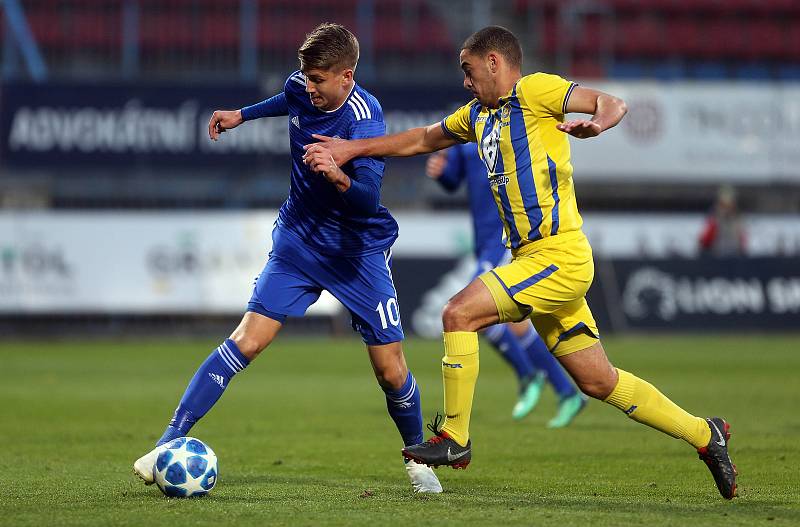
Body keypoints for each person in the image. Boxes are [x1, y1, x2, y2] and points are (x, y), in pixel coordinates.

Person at [304, 26, 737, 499]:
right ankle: (705, 434)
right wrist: (350, 148)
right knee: (597, 380)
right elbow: (423, 139)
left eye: (469, 71)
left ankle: (455, 437)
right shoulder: (478, 116)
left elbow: (611, 102)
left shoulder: (535, 90)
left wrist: (600, 123)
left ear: (495, 62)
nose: (465, 81)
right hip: (534, 258)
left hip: (560, 254)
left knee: (458, 313)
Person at [133, 23, 442, 494]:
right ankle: (166, 442)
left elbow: (366, 200)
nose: (309, 87)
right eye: (306, 77)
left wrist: (338, 174)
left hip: (355, 252)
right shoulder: (301, 87)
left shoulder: (365, 118)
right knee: (247, 341)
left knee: (390, 368)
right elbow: (286, 100)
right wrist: (242, 115)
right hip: (298, 241)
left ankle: (419, 459)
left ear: (346, 76)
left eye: (319, 80)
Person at [426, 145, 586, 427]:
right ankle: (565, 391)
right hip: (484, 240)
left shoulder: (514, 123)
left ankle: (529, 375)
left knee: (470, 313)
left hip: (506, 236)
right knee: (512, 324)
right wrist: (441, 173)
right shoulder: (467, 129)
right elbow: (453, 180)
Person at [699, 185, 747, 257]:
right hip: (717, 257)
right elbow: (705, 241)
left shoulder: (738, 219)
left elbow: (742, 241)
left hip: (734, 257)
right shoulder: (714, 218)